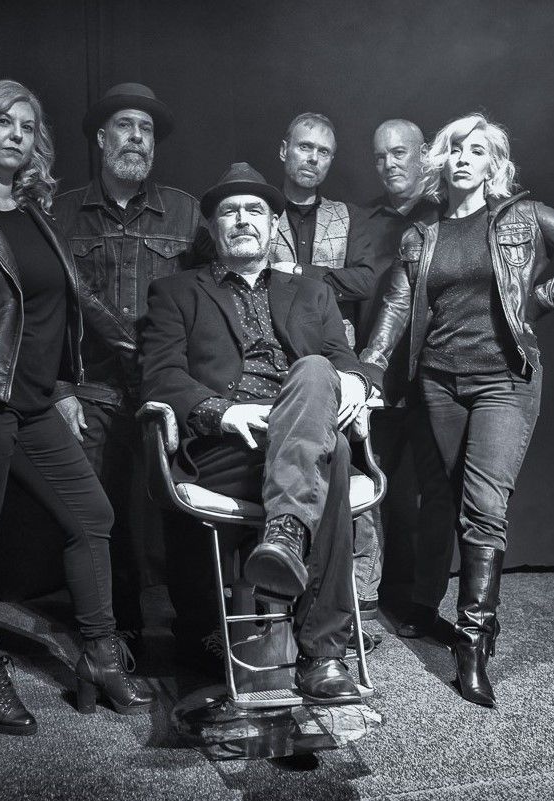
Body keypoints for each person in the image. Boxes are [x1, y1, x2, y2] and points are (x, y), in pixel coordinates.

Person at [0, 79, 155, 736]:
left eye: (27, 126)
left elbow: (78, 302)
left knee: (91, 515)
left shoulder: (35, 212)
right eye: (3, 123)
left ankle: (100, 656)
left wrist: (145, 353)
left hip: (37, 402)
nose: (17, 134)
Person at [140, 162, 380, 703]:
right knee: (334, 457)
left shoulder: (312, 292)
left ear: (274, 225)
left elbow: (346, 359)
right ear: (213, 227)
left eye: (255, 210)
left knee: (318, 373)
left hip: (301, 421)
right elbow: (160, 375)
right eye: (230, 211)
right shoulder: (175, 291)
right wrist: (222, 412)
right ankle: (323, 655)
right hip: (229, 446)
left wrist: (356, 384)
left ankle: (285, 533)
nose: (243, 219)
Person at [361, 112, 554, 706]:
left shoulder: (526, 217)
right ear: (441, 162)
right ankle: (447, 612)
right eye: (455, 150)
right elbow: (396, 307)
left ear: (494, 164)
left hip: (504, 381)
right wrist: (370, 368)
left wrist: (539, 301)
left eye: (477, 150)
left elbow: (529, 291)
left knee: (484, 507)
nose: (465, 158)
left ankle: (472, 641)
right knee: (444, 497)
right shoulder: (422, 237)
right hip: (439, 383)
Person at [52, 84, 208, 648]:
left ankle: (194, 631)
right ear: (101, 138)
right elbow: (42, 309)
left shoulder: (188, 212)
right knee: (100, 514)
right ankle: (116, 635)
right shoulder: (60, 212)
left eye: (146, 130)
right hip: (91, 389)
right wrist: (58, 387)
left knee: (183, 509)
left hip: (167, 388)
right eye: (125, 126)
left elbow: (212, 300)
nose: (137, 138)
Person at [270, 112, 380, 617]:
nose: (312, 158)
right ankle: (282, 587)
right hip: (275, 355)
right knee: (290, 460)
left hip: (338, 356)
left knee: (349, 461)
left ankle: (361, 592)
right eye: (304, 147)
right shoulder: (258, 209)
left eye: (324, 152)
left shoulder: (347, 216)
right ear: (285, 150)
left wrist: (298, 271)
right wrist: (328, 277)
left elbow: (365, 281)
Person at [360, 120, 455, 637]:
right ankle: (366, 598)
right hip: (378, 378)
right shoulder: (364, 220)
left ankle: (421, 604)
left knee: (433, 494)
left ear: (424, 155)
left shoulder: (448, 212)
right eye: (379, 156)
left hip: (435, 376)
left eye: (399, 153)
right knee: (370, 486)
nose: (389, 164)